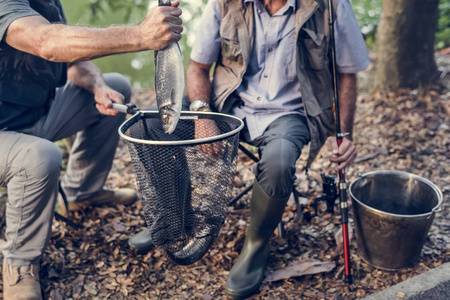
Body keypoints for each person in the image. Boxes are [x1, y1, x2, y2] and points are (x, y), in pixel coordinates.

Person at [186, 0, 370, 298]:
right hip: (229, 106)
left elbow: (347, 73)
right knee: (159, 127)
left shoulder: (332, 6)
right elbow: (197, 67)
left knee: (280, 160)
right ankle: (171, 216)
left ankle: (255, 246)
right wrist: (202, 114)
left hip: (291, 113)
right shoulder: (223, 3)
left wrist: (345, 133)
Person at [0, 0, 182, 299]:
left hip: (34, 115)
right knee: (41, 156)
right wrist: (141, 35)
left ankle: (81, 193)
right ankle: (19, 264)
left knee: (116, 84)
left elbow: (72, 60)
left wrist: (97, 85)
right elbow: (46, 42)